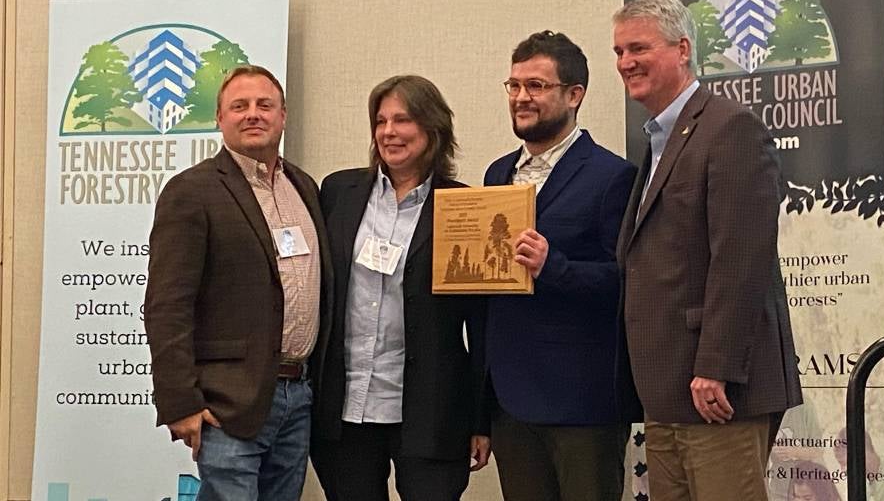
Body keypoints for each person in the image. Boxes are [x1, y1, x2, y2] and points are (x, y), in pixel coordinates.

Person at [614, 0, 803, 501]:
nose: (625, 62)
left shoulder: (729, 128)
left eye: (638, 48)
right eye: (618, 51)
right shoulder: (658, 137)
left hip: (717, 389)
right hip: (667, 387)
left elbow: (741, 261)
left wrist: (714, 367)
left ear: (681, 49)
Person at [145, 65, 332, 501]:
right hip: (228, 403)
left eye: (264, 105)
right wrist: (180, 401)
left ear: (283, 116)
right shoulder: (192, 191)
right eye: (239, 106)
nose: (253, 114)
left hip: (298, 396)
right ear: (219, 118)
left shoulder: (303, 187)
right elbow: (166, 306)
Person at [310, 75, 489, 501]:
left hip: (432, 411)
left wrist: (482, 419)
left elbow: (481, 323)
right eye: (381, 121)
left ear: (433, 128)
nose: (389, 132)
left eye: (403, 120)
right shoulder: (338, 192)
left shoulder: (463, 206)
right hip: (345, 410)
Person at [483, 31, 638, 501]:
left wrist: (555, 265)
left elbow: (625, 283)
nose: (521, 98)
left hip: (582, 402)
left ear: (575, 95)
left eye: (536, 86)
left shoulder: (613, 176)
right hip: (512, 400)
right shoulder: (496, 174)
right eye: (513, 86)